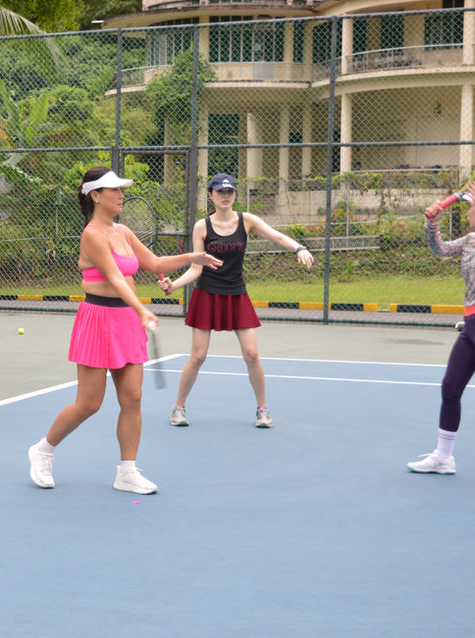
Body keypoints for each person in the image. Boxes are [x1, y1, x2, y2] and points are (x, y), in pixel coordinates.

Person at [27, 166, 223, 494]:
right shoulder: (92, 234)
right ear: (95, 196)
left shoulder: (124, 231)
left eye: (121, 189)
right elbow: (116, 278)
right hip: (98, 319)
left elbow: (155, 263)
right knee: (89, 403)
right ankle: (44, 449)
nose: (121, 195)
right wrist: (142, 309)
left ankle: (127, 471)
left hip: (125, 322)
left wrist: (195, 257)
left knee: (132, 398)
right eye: (114, 190)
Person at [159, 173, 315, 429]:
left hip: (236, 293)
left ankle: (262, 410)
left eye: (229, 192)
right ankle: (178, 408)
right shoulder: (201, 227)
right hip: (207, 294)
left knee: (252, 354)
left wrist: (299, 248)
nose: (225, 196)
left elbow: (276, 236)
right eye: (220, 192)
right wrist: (173, 285)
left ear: (234, 195)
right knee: (198, 356)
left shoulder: (247, 221)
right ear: (211, 195)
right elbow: (196, 268)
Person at [407, 182, 475, 474]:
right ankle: (443, 457)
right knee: (450, 389)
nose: (466, 213)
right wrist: (431, 224)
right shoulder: (472, 239)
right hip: (472, 325)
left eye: (470, 208)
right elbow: (439, 249)